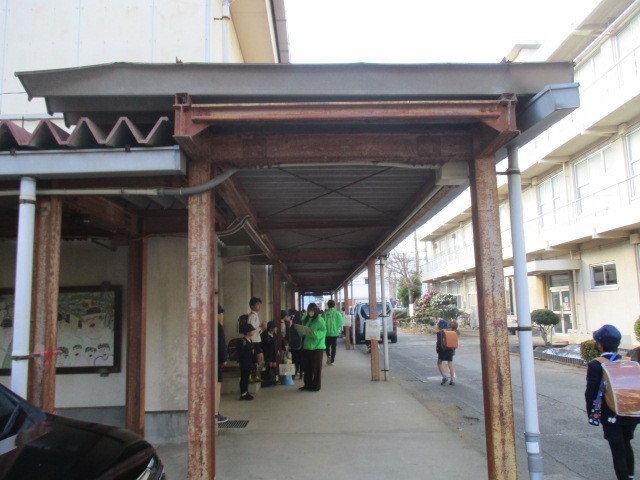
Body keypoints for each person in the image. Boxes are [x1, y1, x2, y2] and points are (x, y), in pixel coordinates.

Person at [585, 324, 639, 480]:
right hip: (630, 410)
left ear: (600, 345)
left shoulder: (596, 364)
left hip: (610, 413)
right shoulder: (628, 361)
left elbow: (591, 392)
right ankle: (630, 476)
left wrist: (592, 414)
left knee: (617, 450)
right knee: (626, 443)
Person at [299, 303, 326, 392]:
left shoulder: (320, 320)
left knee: (316, 368)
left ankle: (316, 386)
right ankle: (307, 385)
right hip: (307, 346)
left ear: (315, 311)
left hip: (317, 347)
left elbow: (323, 331)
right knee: (307, 368)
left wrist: (313, 333)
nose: (310, 312)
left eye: (312, 310)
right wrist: (301, 331)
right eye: (309, 310)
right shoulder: (306, 320)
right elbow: (303, 332)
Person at [238, 323, 259, 401]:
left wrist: (255, 362)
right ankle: (243, 393)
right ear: (247, 332)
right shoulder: (242, 341)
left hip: (249, 362)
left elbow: (254, 352)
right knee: (243, 378)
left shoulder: (250, 340)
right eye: (251, 331)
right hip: (244, 363)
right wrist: (250, 352)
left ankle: (246, 392)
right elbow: (241, 353)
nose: (253, 332)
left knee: (247, 378)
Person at [216, 304, 229, 423]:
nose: (222, 316)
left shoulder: (205, 325)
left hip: (208, 363)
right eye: (221, 313)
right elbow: (221, 344)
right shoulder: (218, 327)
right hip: (217, 363)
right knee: (217, 387)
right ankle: (216, 413)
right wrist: (224, 358)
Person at [436, 319, 455, 386]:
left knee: (439, 363)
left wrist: (438, 350)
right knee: (450, 364)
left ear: (440, 326)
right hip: (450, 349)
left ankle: (444, 376)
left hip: (442, 350)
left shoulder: (439, 333)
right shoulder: (450, 332)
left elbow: (439, 343)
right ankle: (452, 380)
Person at [324, 300, 343, 365]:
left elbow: (322, 323)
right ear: (334, 305)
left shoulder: (325, 314)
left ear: (328, 305)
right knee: (334, 347)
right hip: (335, 333)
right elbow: (340, 322)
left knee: (327, 346)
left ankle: (328, 356)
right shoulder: (338, 313)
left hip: (326, 333)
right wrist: (337, 328)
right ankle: (332, 361)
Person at [260, 320, 278, 387]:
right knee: (267, 366)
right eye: (275, 327)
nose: (276, 328)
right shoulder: (264, 335)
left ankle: (273, 380)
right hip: (267, 354)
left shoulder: (274, 334)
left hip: (273, 353)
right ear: (271, 328)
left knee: (274, 365)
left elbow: (276, 343)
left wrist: (277, 350)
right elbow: (262, 345)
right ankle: (266, 381)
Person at [247, 297, 264, 365]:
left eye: (259, 304)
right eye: (257, 304)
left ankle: (257, 371)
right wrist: (260, 327)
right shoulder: (252, 316)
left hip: (256, 340)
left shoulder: (255, 315)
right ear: (252, 306)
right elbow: (250, 330)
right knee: (259, 359)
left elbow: (257, 329)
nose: (259, 306)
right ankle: (255, 371)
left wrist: (261, 328)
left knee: (260, 359)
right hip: (253, 341)